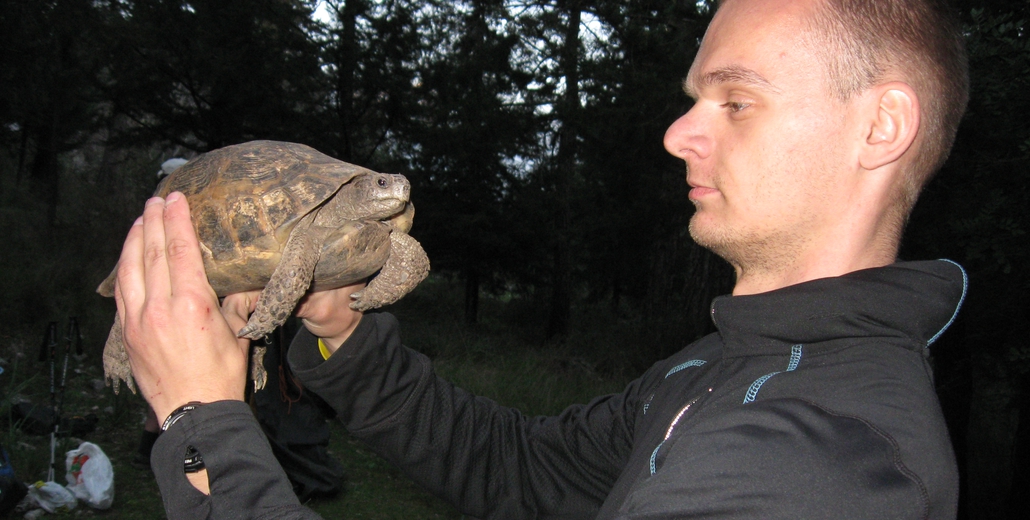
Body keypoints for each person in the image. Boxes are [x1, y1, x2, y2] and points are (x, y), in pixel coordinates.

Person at [112, 0, 969, 517]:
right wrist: (342, 333)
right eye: (692, 100)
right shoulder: (726, 368)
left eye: (736, 100)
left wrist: (200, 423)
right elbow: (516, 470)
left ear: (880, 127)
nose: (678, 134)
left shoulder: (821, 459)